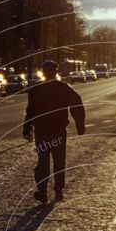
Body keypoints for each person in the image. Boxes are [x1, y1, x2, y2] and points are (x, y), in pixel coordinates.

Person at [22, 60, 86, 203]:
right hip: (41, 131)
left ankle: (58, 190)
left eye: (51, 71)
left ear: (56, 72)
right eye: (46, 71)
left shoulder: (63, 88)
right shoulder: (36, 89)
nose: (49, 73)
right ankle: (42, 191)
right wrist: (27, 127)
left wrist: (80, 123)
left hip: (57, 131)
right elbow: (30, 110)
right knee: (43, 162)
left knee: (58, 161)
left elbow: (76, 104)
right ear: (43, 72)